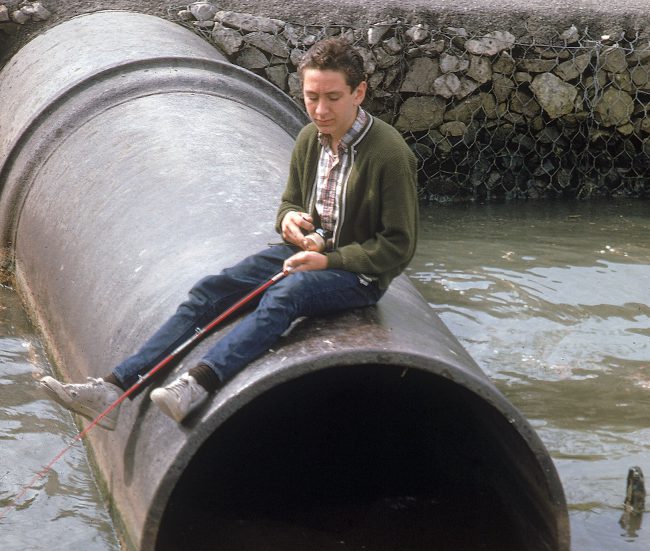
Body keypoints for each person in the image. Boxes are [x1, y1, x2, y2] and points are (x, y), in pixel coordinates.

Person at [40, 36, 418, 429]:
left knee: (286, 294)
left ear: (359, 92)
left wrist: (330, 260)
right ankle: (114, 388)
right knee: (212, 289)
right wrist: (290, 221)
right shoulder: (310, 139)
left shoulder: (389, 154)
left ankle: (200, 383)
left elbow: (399, 246)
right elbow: (289, 203)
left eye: (333, 98)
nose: (320, 110)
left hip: (358, 275)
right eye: (311, 97)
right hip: (310, 251)